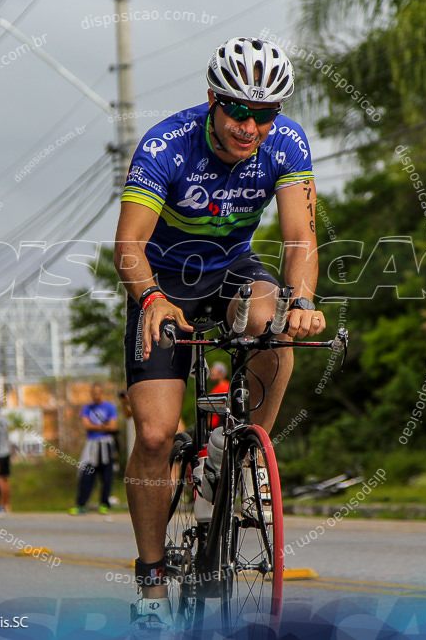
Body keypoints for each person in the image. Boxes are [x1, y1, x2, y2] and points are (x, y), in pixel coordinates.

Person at [114, 37, 325, 631]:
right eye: (238, 111)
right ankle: (152, 582)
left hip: (232, 268)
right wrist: (151, 297)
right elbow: (128, 245)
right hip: (164, 279)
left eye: (265, 114)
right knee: (155, 437)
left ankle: (250, 456)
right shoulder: (166, 144)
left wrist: (303, 301)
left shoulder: (286, 143)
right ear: (212, 99)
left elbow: (299, 240)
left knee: (273, 321)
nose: (250, 127)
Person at [70, 384, 119, 516]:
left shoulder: (110, 407)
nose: (96, 396)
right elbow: (86, 425)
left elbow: (113, 426)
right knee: (87, 474)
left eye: (98, 393)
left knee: (107, 475)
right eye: (94, 393)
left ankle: (104, 504)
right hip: (91, 445)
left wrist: (96, 426)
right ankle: (81, 504)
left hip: (106, 445)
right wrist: (104, 427)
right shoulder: (87, 408)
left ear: (102, 393)